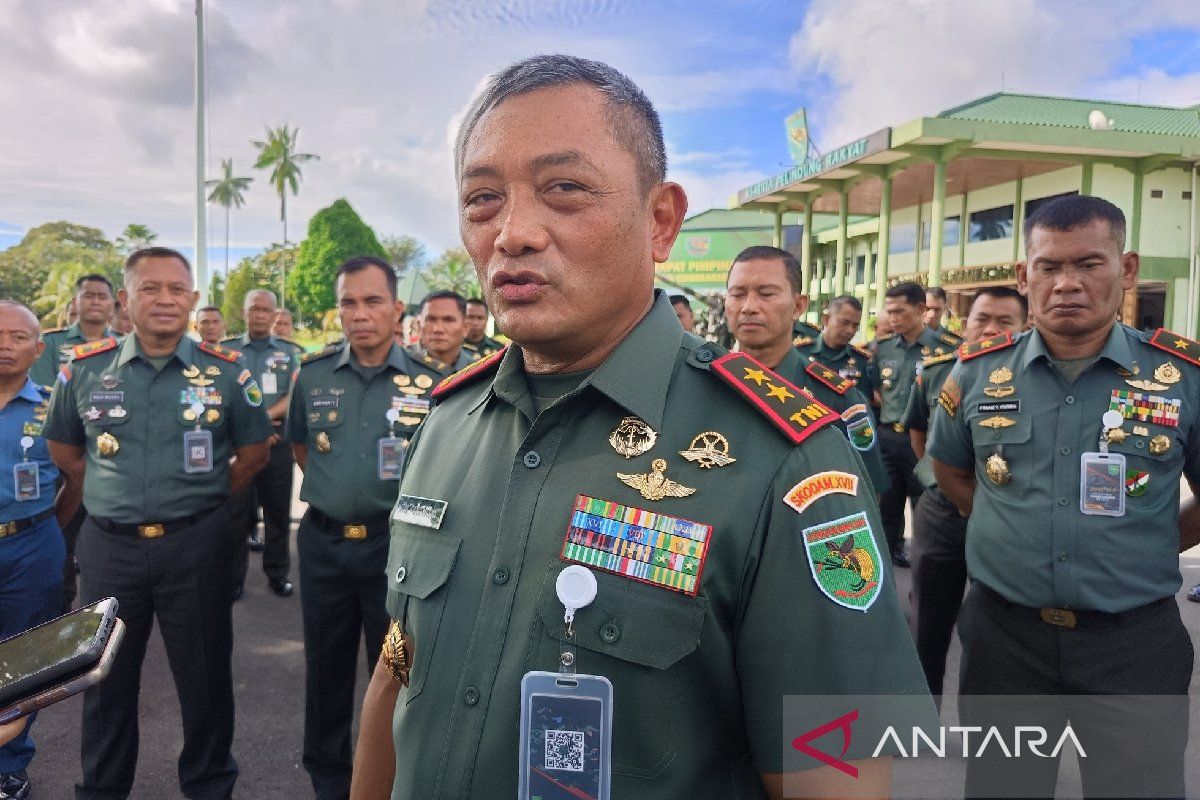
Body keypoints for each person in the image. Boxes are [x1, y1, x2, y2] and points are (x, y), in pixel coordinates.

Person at [350, 53, 933, 800]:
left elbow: (833, 776)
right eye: (482, 199)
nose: (514, 232)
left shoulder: (785, 459)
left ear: (660, 221)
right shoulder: (447, 423)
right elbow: (396, 677)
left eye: (564, 189)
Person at [929, 195, 1200, 798]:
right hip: (1007, 645)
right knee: (1003, 788)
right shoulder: (972, 374)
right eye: (1049, 267)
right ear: (1025, 277)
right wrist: (1019, 529)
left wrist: (1143, 539)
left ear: (1126, 270)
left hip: (1133, 645)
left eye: (1090, 264)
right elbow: (952, 473)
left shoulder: (1182, 378)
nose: (1068, 284)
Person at [43, 246, 271, 800]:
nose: (164, 299)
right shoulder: (85, 369)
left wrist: (200, 501)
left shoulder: (226, 373)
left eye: (176, 289)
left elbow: (253, 454)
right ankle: (102, 789)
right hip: (110, 549)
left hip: (196, 546)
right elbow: (67, 453)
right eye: (150, 288)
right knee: (105, 681)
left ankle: (210, 787)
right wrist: (114, 495)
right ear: (126, 300)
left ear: (193, 300)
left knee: (205, 679)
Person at [287, 256, 443, 800]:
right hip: (325, 544)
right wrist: (340, 496)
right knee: (325, 672)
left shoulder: (433, 385)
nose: (360, 314)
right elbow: (304, 449)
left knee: (399, 672)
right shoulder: (312, 376)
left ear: (397, 309)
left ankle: (392, 782)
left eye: (373, 301)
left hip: (396, 548)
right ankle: (328, 783)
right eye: (348, 303)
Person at [901, 286, 1026, 696]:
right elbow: (918, 429)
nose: (991, 329)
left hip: (1008, 517)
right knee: (929, 622)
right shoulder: (937, 371)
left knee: (996, 627)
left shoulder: (1036, 378)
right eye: (982, 319)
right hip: (942, 513)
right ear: (965, 323)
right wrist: (941, 477)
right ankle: (922, 713)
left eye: (1004, 321)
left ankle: (986, 723)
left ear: (1025, 325)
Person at [724, 246, 889, 494]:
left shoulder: (838, 400)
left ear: (798, 306)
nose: (748, 307)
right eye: (737, 294)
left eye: (766, 294)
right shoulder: (699, 384)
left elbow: (865, 494)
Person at [0, 301, 68, 800]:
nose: (6, 344)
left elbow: (78, 476)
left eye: (18, 337)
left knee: (24, 659)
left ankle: (9, 765)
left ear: (37, 349)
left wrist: (46, 526)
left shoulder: (51, 408)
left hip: (32, 545)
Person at [221, 290, 303, 599]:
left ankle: (277, 574)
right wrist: (252, 430)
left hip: (276, 443)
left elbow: (293, 395)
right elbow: (222, 396)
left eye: (266, 310)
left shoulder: (288, 352)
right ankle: (234, 578)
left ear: (274, 315)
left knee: (278, 512)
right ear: (244, 312)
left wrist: (261, 425)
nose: (260, 314)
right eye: (254, 308)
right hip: (237, 447)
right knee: (236, 514)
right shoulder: (226, 352)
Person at [868, 282, 950, 568]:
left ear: (920, 309)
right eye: (889, 312)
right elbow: (876, 392)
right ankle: (885, 566)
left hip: (926, 441)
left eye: (899, 312)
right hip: (888, 439)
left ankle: (927, 565)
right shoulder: (882, 348)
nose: (893, 319)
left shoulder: (944, 350)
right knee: (886, 507)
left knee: (925, 507)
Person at [31, 274, 118, 387]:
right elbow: (43, 390)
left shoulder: (123, 343)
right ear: (75, 302)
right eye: (88, 296)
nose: (95, 302)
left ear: (112, 304)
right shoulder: (50, 342)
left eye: (102, 297)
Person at [796, 294, 875, 400]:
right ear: (826, 319)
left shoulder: (862, 360)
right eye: (844, 323)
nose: (850, 330)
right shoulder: (799, 352)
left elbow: (863, 404)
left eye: (855, 326)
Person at [407, 290, 472, 374]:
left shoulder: (480, 372)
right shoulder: (402, 368)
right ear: (419, 326)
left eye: (448, 320)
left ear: (465, 328)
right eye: (430, 319)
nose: (438, 329)